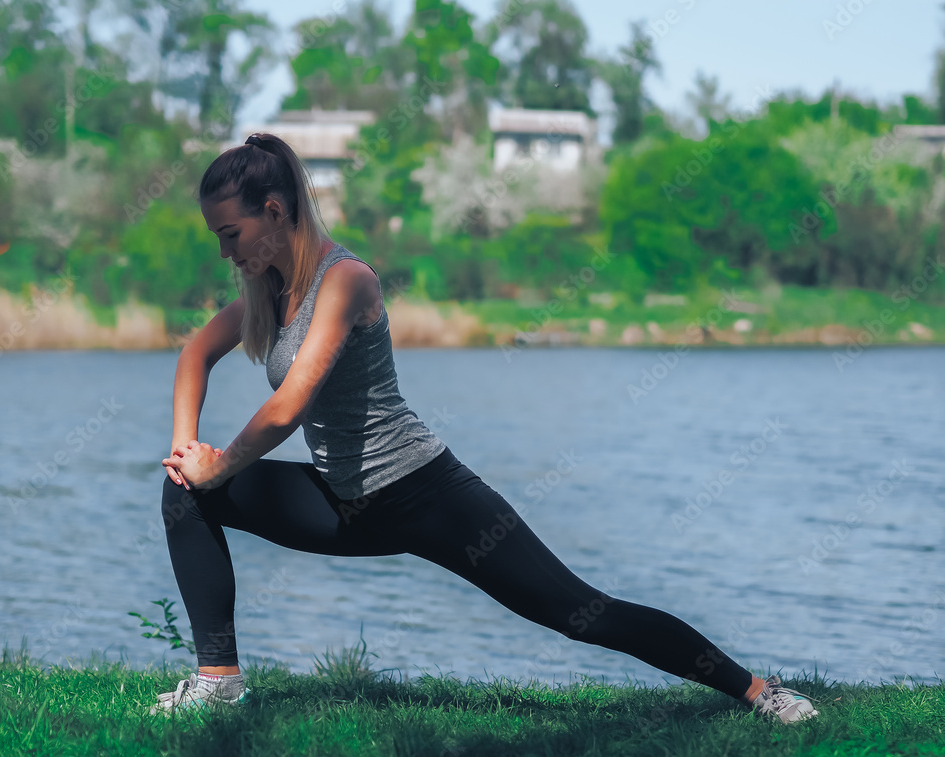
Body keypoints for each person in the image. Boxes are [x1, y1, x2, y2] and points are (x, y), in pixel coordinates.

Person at [154, 132, 819, 724]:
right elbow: (194, 356)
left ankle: (758, 690)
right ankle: (220, 682)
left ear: (274, 212)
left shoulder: (345, 281)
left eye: (230, 233)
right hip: (343, 503)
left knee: (579, 612)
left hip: (426, 496)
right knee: (184, 493)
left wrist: (223, 462)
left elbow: (288, 407)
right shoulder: (270, 291)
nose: (224, 251)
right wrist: (189, 455)